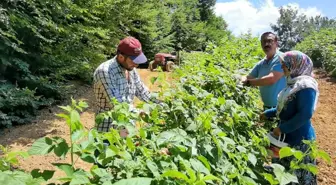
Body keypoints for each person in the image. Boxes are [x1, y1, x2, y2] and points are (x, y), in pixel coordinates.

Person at [262, 51, 318, 184]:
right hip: (286, 137)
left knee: (297, 176)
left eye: (285, 64)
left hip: (299, 140)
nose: (282, 67)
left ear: (295, 65)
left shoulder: (306, 86)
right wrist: (267, 113)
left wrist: (282, 128)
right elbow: (284, 107)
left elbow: (305, 114)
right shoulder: (292, 84)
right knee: (282, 174)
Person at [93, 36, 156, 134]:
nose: (137, 65)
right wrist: (140, 113)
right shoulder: (105, 71)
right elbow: (117, 105)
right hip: (109, 130)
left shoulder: (131, 69)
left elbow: (142, 91)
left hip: (127, 127)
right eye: (134, 61)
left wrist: (159, 104)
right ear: (121, 57)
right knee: (109, 148)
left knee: (126, 146)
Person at [242, 32, 286, 110]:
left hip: (283, 107)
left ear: (276, 43)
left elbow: (271, 79)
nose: (266, 44)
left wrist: (248, 82)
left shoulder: (282, 58)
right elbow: (248, 76)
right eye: (263, 41)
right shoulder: (261, 63)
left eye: (270, 41)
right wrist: (242, 78)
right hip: (267, 106)